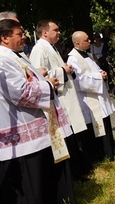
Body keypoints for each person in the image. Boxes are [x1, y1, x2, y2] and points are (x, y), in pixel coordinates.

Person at [0, 19, 76, 204]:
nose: (24, 37)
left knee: (40, 170)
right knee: (29, 174)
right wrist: (47, 85)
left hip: (31, 120)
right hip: (21, 124)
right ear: (4, 37)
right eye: (19, 34)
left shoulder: (13, 56)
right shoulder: (1, 61)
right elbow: (18, 92)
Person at [29, 20, 92, 179]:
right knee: (67, 138)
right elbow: (39, 77)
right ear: (44, 33)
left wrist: (63, 69)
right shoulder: (39, 49)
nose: (59, 32)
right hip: (58, 99)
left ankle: (79, 170)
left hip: (65, 95)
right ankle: (74, 173)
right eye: (55, 30)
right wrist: (62, 70)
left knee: (72, 136)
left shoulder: (50, 47)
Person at [67, 31, 115, 163]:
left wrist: (101, 72)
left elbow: (91, 70)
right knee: (96, 128)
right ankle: (102, 155)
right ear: (77, 43)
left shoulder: (86, 55)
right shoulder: (73, 58)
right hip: (89, 100)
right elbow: (79, 81)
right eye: (86, 40)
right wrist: (98, 77)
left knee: (105, 123)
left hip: (97, 96)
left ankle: (110, 152)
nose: (90, 41)